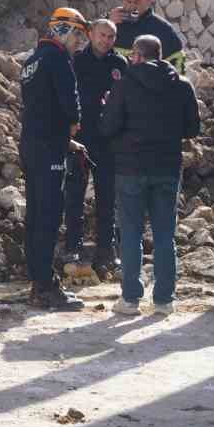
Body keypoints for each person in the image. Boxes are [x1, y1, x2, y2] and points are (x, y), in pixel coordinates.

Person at [99, 34, 200, 317]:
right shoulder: (182, 85)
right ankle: (164, 300)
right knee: (165, 234)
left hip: (130, 168)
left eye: (132, 55)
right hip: (167, 168)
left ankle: (130, 299)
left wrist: (109, 108)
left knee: (130, 233)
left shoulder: (124, 85)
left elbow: (107, 128)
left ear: (138, 56)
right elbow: (192, 129)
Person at [21, 6, 91, 310]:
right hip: (49, 148)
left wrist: (66, 140)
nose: (79, 44)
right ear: (65, 30)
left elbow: (40, 107)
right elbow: (69, 103)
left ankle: (38, 280)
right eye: (78, 36)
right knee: (49, 217)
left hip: (32, 144)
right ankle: (46, 288)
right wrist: (73, 126)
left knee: (35, 214)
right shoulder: (57, 58)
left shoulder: (32, 60)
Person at [64, 19, 126, 276]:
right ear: (91, 34)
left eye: (111, 36)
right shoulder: (76, 61)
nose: (106, 40)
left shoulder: (120, 65)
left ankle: (106, 253)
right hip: (81, 138)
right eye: (102, 35)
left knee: (107, 197)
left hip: (109, 141)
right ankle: (73, 249)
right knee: (75, 194)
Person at [111, 0, 187, 73]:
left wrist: (173, 85)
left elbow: (177, 58)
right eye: (128, 1)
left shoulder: (161, 28)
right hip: (117, 83)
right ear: (123, 1)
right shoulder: (113, 22)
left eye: (137, 2)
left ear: (148, 2)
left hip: (148, 84)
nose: (131, 6)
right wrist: (109, 23)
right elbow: (96, 49)